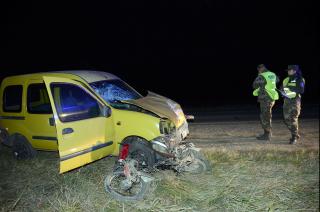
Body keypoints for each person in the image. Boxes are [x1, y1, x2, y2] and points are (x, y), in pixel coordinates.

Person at [253, 64, 279, 141]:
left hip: (265, 98)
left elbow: (254, 85)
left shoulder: (262, 75)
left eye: (258, 70)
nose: (258, 71)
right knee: (268, 115)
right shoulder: (272, 74)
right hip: (272, 97)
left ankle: (266, 135)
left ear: (260, 69)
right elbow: (277, 81)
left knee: (265, 116)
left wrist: (259, 76)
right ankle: (268, 133)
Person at [281, 65, 305, 144]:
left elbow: (301, 90)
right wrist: (281, 92)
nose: (288, 71)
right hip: (286, 101)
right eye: (288, 70)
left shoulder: (300, 79)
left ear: (295, 71)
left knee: (293, 118)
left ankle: (294, 137)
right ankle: (296, 133)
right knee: (286, 119)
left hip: (295, 100)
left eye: (290, 70)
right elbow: (282, 88)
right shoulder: (286, 79)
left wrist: (288, 89)